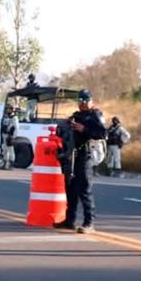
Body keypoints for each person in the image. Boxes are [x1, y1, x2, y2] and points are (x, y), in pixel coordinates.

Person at [53, 89, 106, 233]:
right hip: (72, 155)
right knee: (71, 189)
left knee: (84, 189)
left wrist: (84, 129)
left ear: (91, 101)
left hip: (85, 155)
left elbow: (103, 133)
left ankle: (89, 222)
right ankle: (69, 220)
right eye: (80, 100)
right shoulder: (76, 116)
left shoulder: (95, 115)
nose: (82, 103)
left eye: (85, 100)